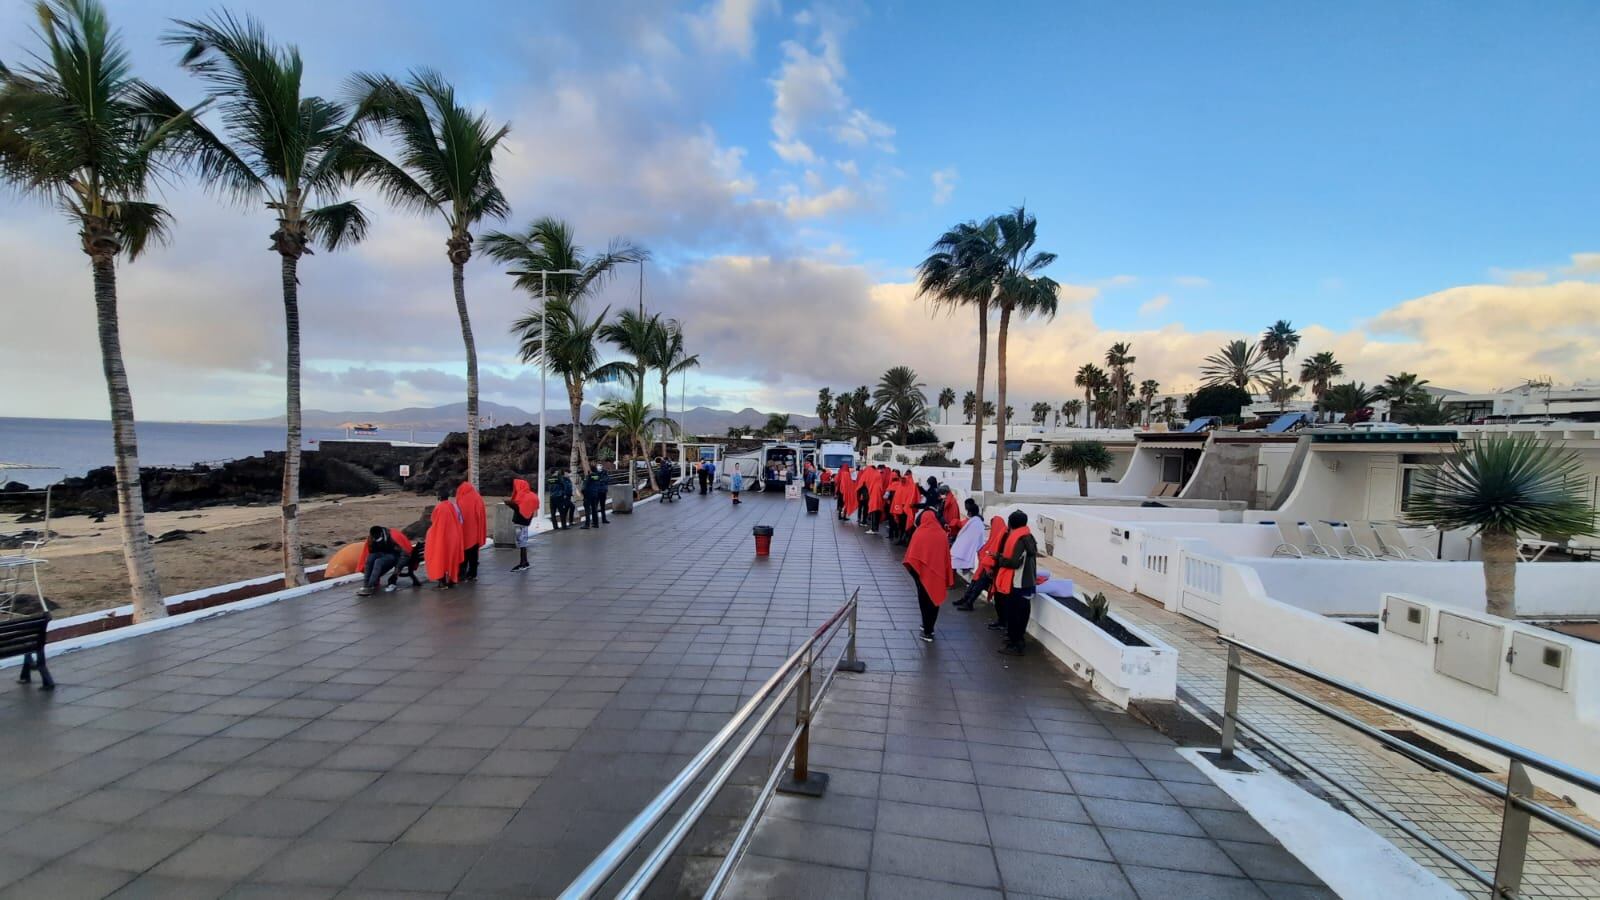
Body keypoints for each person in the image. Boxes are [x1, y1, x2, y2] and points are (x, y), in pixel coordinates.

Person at [904, 507, 954, 643]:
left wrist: (916, 575)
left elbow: (911, 556)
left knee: (924, 600)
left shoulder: (919, 533)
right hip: (937, 575)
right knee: (934, 601)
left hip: (921, 574)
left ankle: (926, 627)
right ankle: (929, 628)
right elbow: (946, 556)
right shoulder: (942, 534)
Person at [992, 510, 1039, 656]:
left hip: (1017, 581)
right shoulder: (1029, 537)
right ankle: (1018, 640)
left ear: (1011, 523)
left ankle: (1014, 643)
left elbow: (1013, 562)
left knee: (1014, 613)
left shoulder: (1018, 539)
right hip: (1027, 581)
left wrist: (998, 558)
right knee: (1023, 611)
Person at [955, 515, 1007, 613]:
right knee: (976, 581)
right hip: (986, 566)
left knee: (979, 583)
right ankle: (966, 600)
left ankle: (968, 602)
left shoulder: (1000, 537)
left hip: (990, 568)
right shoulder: (997, 536)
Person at [425, 487, 465, 590]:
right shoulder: (452, 506)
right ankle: (451, 580)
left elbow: (435, 521)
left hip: (442, 537)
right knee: (451, 560)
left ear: (439, 497)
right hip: (453, 537)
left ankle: (442, 582)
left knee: (440, 558)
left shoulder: (439, 507)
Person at [355, 525, 412, 596]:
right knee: (370, 559)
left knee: (378, 562)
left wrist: (396, 573)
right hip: (383, 553)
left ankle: (370, 586)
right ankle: (366, 585)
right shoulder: (371, 538)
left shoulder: (392, 538)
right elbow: (371, 552)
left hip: (395, 555)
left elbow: (404, 555)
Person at [455, 481, 487, 582]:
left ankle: (461, 573)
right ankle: (472, 574)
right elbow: (481, 515)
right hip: (475, 531)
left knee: (463, 553)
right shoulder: (477, 497)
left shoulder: (461, 498)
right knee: (473, 555)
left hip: (463, 531)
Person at [506, 478, 540, 571]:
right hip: (526, 522)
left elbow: (520, 509)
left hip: (520, 522)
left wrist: (511, 504)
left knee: (521, 542)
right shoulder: (532, 496)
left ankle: (523, 563)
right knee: (523, 542)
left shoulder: (522, 496)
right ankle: (524, 561)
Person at [950, 500, 985, 576]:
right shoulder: (976, 522)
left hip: (971, 549)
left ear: (970, 513)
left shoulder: (974, 523)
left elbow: (966, 535)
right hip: (972, 548)